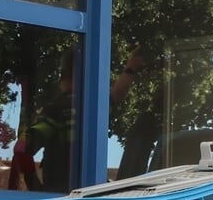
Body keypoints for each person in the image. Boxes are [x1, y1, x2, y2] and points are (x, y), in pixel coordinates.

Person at [12, 44, 145, 191]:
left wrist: (34, 186)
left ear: (63, 75)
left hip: (60, 198)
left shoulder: (57, 109)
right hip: (81, 198)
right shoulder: (89, 107)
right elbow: (117, 95)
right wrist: (130, 69)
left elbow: (21, 148)